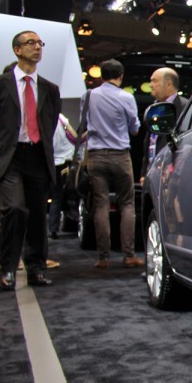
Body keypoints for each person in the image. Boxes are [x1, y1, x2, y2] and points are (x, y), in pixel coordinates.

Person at [0, 31, 61, 290]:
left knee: (38, 217)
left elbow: (50, 124)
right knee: (14, 209)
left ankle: (36, 268)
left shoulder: (50, 89)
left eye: (40, 42)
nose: (37, 47)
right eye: (30, 43)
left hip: (37, 157)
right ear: (17, 50)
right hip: (10, 158)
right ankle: (8, 267)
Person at [85, 59, 143, 269]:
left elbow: (84, 123)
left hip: (96, 155)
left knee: (100, 205)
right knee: (127, 204)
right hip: (120, 155)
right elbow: (135, 128)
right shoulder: (126, 97)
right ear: (121, 76)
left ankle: (103, 258)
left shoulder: (89, 95)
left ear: (101, 76)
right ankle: (128, 255)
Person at [140, 66, 185, 182]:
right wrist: (144, 172)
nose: (150, 85)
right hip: (152, 172)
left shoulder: (185, 107)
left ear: (168, 84)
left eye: (154, 81)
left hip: (172, 175)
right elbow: (149, 142)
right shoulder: (154, 108)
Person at [49, 112, 78, 239]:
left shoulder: (40, 116)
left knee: (42, 197)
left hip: (46, 161)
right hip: (63, 162)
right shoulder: (61, 118)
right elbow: (76, 137)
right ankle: (53, 229)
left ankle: (45, 231)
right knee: (58, 196)